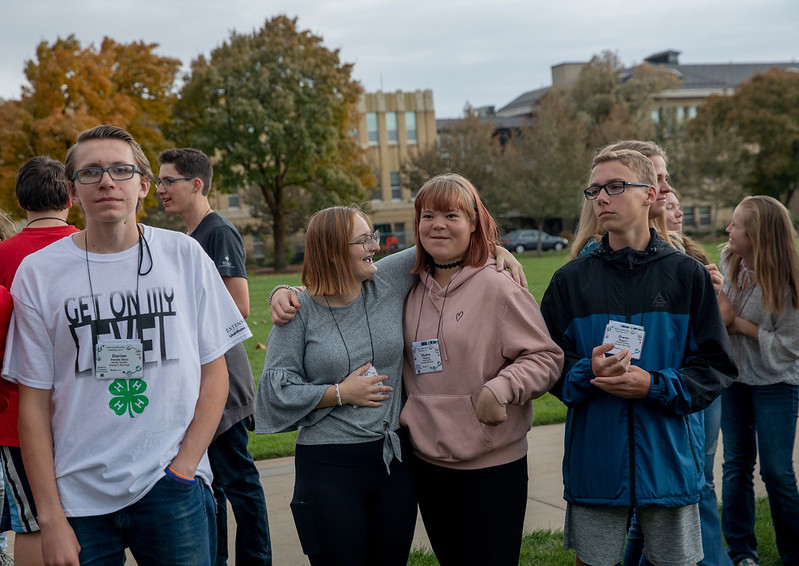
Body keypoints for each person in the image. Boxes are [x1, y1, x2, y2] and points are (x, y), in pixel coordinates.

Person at [2, 125, 251, 565]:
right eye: (90, 172)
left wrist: (185, 468)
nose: (106, 181)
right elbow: (33, 403)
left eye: (121, 170)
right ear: (72, 191)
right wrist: (51, 518)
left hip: (171, 488)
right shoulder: (39, 274)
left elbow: (215, 371)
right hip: (78, 498)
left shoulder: (185, 256)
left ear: (144, 185)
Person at [540, 149, 737, 566]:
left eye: (615, 187)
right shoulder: (570, 280)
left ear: (650, 194)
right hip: (595, 464)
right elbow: (546, 364)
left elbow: (716, 367)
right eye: (595, 189)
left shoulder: (688, 276)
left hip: (669, 461)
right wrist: (586, 372)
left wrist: (653, 385)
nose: (601, 198)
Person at [398, 173, 564, 566]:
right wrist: (288, 292)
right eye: (428, 215)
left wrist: (502, 388)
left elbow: (546, 357)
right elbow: (341, 276)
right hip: (428, 463)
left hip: (492, 466)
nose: (437, 224)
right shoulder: (406, 287)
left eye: (451, 215)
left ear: (473, 222)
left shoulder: (499, 286)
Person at [256, 206, 421, 566]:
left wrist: (499, 252)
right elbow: (274, 392)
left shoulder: (387, 279)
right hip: (328, 467)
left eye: (372, 236)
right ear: (332, 251)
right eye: (363, 240)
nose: (374, 246)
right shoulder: (298, 313)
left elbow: (444, 244)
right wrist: (340, 393)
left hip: (392, 462)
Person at [157, 147, 271, 566]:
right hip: (199, 375)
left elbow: (238, 305)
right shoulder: (189, 238)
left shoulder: (217, 231)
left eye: (169, 181)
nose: (160, 190)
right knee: (214, 484)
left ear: (196, 184)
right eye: (159, 181)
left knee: (238, 480)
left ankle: (257, 560)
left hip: (224, 376)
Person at [0, 156, 80, 566]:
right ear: (71, 194)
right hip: (86, 407)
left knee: (32, 522)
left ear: (20, 201)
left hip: (17, 411)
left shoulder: (3, 254)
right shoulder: (91, 245)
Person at [719, 195, 799, 566]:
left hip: (777, 384)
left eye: (736, 225)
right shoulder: (728, 260)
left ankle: (794, 554)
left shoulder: (791, 283)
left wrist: (738, 324)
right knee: (736, 465)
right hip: (733, 381)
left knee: (777, 473)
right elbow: (720, 312)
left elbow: (790, 348)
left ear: (759, 234)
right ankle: (741, 553)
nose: (728, 230)